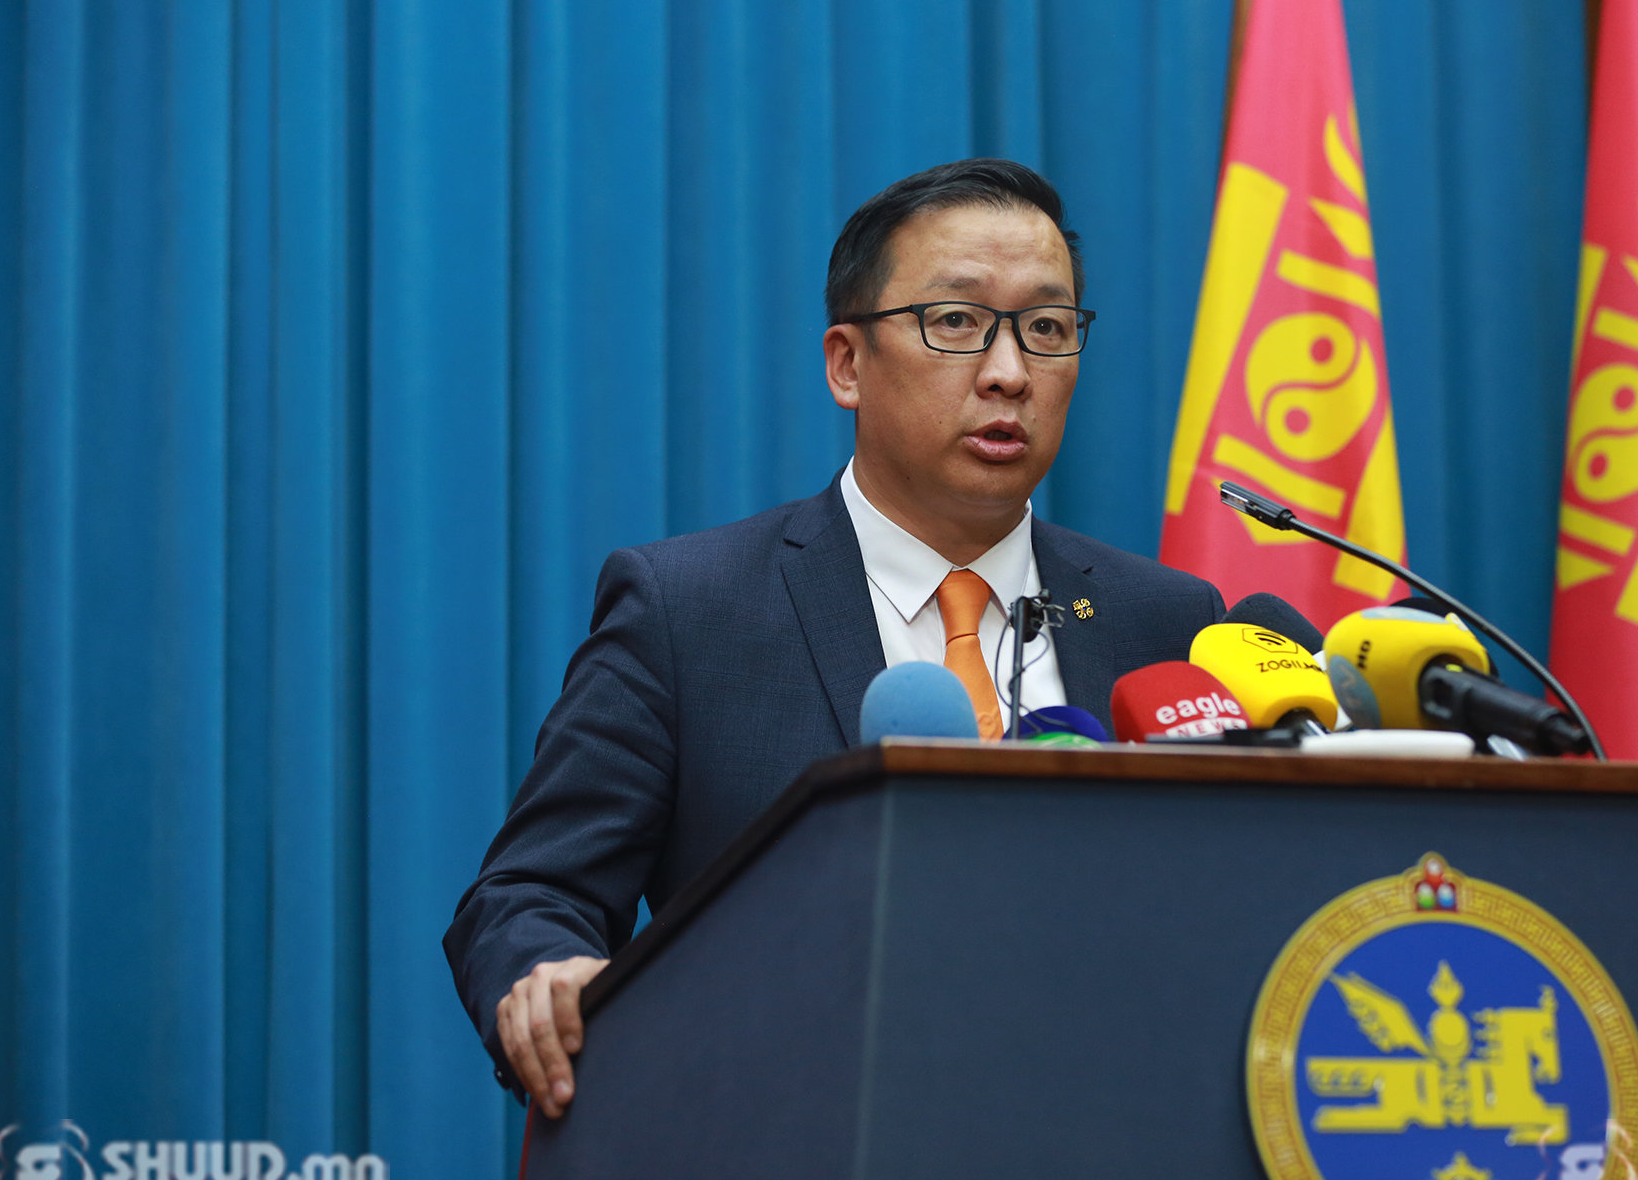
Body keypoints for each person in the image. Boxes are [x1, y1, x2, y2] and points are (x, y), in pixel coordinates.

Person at [444, 159, 1224, 1118]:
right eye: (956, 322)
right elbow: (528, 893)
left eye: (1047, 329)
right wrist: (547, 970)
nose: (1009, 371)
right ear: (847, 364)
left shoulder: (1168, 623)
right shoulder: (690, 611)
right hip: (787, 1138)